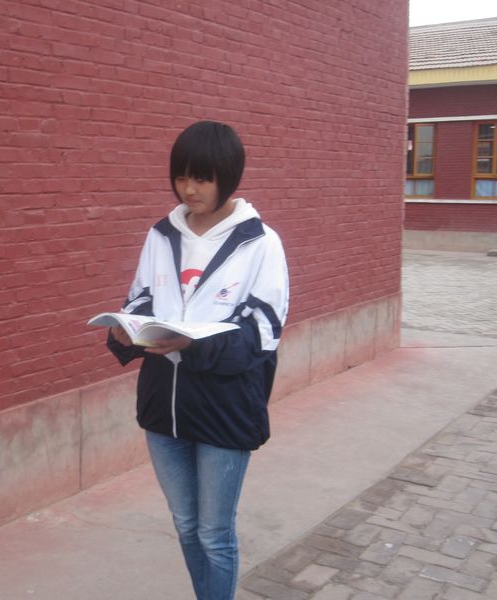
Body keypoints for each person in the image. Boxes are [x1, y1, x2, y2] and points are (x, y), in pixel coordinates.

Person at [106, 120, 289, 600]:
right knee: (186, 525)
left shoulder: (260, 242)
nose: (190, 189)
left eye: (202, 178)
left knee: (214, 533)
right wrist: (128, 331)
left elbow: (263, 334)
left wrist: (192, 344)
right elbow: (142, 298)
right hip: (163, 408)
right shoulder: (161, 235)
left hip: (225, 410)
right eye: (182, 177)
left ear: (228, 177)